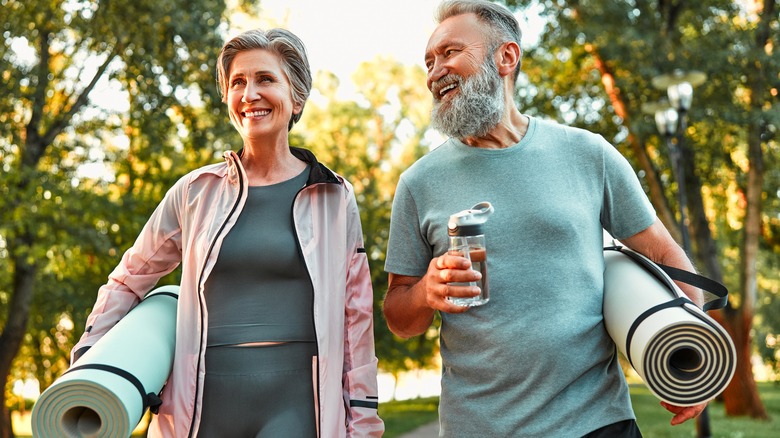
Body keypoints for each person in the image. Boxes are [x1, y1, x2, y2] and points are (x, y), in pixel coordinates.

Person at [382, 1, 707, 436]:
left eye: (450, 52)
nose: (435, 71)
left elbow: (663, 251)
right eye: (429, 61)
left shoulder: (588, 153)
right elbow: (399, 317)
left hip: (597, 420)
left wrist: (694, 352)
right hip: (478, 426)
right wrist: (424, 291)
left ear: (506, 57)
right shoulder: (419, 182)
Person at [71, 28, 384, 437]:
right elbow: (129, 279)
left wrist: (364, 418)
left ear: (297, 98)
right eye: (238, 82)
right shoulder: (194, 192)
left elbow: (355, 316)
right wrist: (87, 362)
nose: (249, 94)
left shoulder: (333, 196)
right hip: (201, 405)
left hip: (297, 404)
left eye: (266, 79)